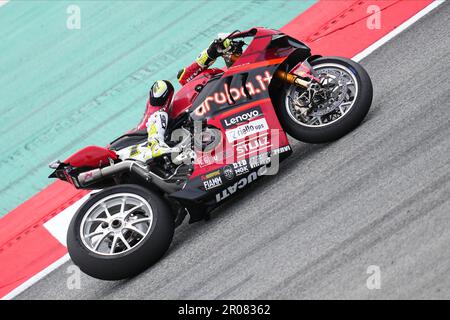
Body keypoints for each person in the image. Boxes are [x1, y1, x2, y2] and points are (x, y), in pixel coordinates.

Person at [117, 37, 232, 163]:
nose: (236, 56)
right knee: (162, 87)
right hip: (162, 124)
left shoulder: (248, 82)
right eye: (235, 52)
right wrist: (211, 53)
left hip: (197, 132)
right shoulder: (217, 73)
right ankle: (155, 142)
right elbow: (184, 76)